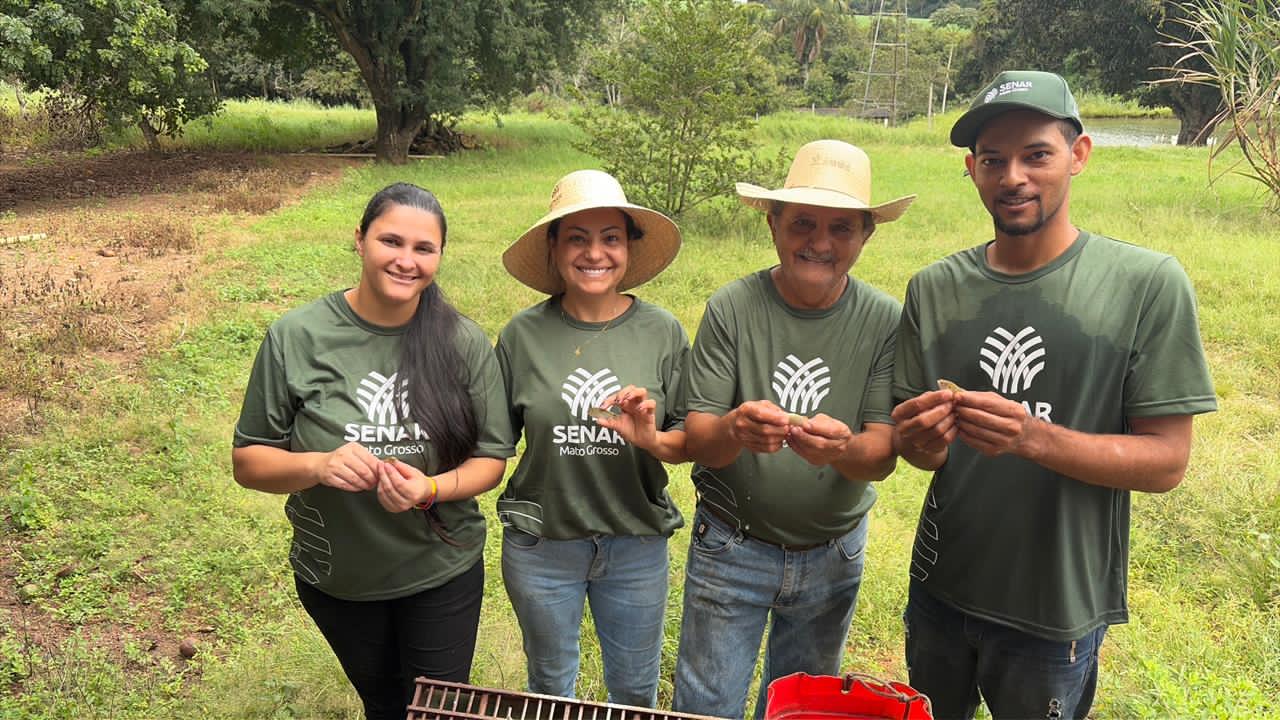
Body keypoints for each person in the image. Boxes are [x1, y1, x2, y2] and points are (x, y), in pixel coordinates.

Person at [890, 70, 1218, 720]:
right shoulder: (935, 289)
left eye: (1036, 154)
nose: (1013, 175)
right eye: (993, 160)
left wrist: (1033, 437)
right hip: (941, 589)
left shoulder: (1145, 284)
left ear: (1079, 155)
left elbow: (1167, 461)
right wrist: (920, 441)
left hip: (1055, 607)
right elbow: (921, 456)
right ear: (972, 169)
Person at [231, 183, 515, 719]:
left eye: (423, 248)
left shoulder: (463, 342)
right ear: (360, 240)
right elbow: (249, 462)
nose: (406, 260)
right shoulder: (297, 337)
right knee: (384, 706)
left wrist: (429, 488)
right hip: (339, 576)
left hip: (440, 568)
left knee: (438, 711)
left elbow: (490, 460)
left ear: (439, 256)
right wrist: (319, 464)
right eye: (392, 241)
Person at [672, 140, 917, 719]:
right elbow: (697, 437)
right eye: (802, 222)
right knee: (706, 704)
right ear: (773, 223)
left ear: (866, 236)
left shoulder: (885, 321)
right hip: (731, 544)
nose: (820, 242)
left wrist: (843, 448)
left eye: (841, 228)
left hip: (833, 551)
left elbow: (881, 454)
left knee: (803, 709)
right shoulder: (733, 307)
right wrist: (735, 428)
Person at [495, 169, 691, 707]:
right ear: (554, 249)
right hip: (542, 545)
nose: (594, 253)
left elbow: (686, 443)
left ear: (628, 247)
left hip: (636, 542)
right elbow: (492, 446)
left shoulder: (663, 331)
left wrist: (650, 437)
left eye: (610, 237)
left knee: (634, 692)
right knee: (549, 690)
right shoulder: (523, 335)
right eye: (576, 238)